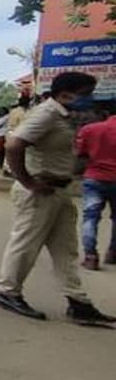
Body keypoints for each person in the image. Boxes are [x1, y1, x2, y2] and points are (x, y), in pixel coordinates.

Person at [0, 72, 114, 325]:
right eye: (85, 93)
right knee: (26, 244)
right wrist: (28, 182)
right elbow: (14, 145)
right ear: (65, 94)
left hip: (59, 190)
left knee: (66, 249)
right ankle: (8, 292)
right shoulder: (47, 113)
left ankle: (78, 301)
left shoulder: (64, 116)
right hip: (40, 189)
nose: (89, 99)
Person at [76, 105, 116, 270]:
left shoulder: (90, 129)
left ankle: (91, 256)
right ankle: (113, 253)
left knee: (90, 217)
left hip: (94, 178)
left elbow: (79, 153)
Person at [4, 94, 31, 176]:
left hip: (22, 134)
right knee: (11, 152)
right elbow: (12, 125)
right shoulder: (16, 111)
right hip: (13, 132)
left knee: (20, 154)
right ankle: (8, 169)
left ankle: (14, 170)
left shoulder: (29, 111)